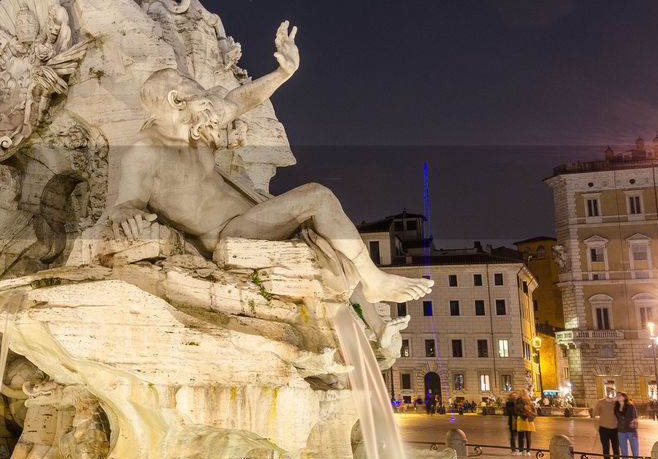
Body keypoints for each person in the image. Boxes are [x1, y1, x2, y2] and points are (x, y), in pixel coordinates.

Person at [107, 24, 433, 306]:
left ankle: (369, 287)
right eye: (188, 81)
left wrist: (283, 73)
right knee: (317, 196)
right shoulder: (145, 152)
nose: (199, 86)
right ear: (176, 99)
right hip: (228, 236)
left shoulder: (199, 123)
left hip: (252, 213)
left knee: (321, 224)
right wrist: (128, 217)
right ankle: (374, 282)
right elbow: (126, 203)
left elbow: (241, 99)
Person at [593, 391, 621, 459]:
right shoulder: (600, 402)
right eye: (608, 390)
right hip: (603, 429)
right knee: (606, 449)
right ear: (606, 392)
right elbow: (595, 415)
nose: (610, 392)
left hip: (615, 429)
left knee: (616, 449)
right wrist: (597, 427)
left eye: (611, 390)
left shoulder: (616, 403)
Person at [615, 392, 641, 459]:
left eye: (619, 396)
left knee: (635, 451)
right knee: (624, 451)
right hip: (621, 431)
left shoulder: (630, 406)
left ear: (624, 397)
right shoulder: (616, 406)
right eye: (617, 396)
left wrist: (634, 423)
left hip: (631, 431)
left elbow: (635, 417)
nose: (617, 397)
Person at [514, 391, 536, 455]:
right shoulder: (528, 402)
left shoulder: (521, 402)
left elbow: (516, 411)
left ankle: (522, 451)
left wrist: (525, 414)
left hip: (524, 420)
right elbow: (534, 411)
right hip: (526, 420)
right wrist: (527, 414)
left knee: (522, 437)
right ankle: (527, 451)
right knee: (527, 437)